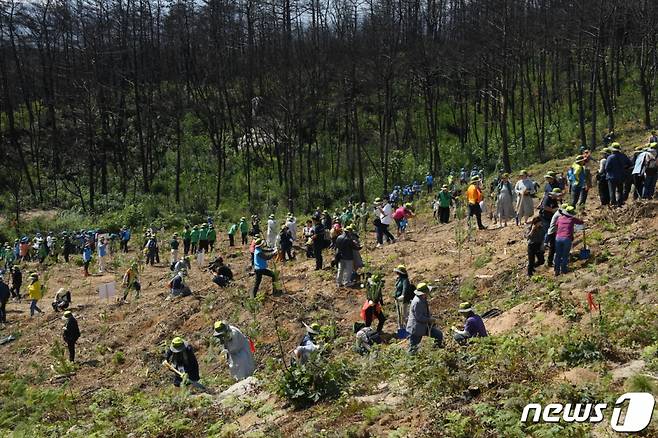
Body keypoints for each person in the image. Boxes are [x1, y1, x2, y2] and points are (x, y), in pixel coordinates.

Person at [406, 283, 443, 354]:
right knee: (413, 349)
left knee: (438, 335)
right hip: (416, 328)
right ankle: (410, 361)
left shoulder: (423, 299)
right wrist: (431, 320)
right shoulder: (417, 302)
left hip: (424, 326)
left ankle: (436, 353)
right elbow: (419, 317)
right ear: (423, 293)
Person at [553, 205, 584, 276]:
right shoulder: (572, 219)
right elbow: (580, 222)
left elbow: (556, 225)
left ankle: (556, 270)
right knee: (565, 255)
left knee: (558, 255)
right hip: (566, 238)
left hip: (558, 238)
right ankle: (563, 269)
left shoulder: (560, 218)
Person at [393, 265, 415, 337]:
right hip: (397, 300)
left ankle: (407, 329)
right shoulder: (399, 279)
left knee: (403, 315)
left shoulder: (405, 280)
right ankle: (401, 330)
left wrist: (402, 296)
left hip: (403, 301)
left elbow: (405, 289)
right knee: (399, 315)